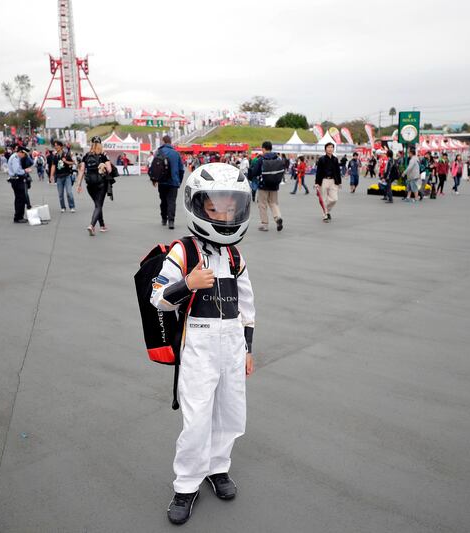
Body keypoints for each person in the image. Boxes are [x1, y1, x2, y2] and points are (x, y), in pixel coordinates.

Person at [150, 163, 255, 526]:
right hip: (198, 343)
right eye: (214, 207)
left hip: (231, 345)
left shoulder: (236, 256)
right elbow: (158, 297)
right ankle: (186, 484)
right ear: (197, 206)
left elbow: (247, 306)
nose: (223, 213)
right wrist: (189, 283)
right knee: (197, 419)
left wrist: (248, 348)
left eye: (230, 207)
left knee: (230, 413)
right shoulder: (184, 251)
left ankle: (217, 467)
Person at [76, 136, 113, 236]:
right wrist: (104, 167)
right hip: (101, 183)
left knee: (97, 204)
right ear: (101, 144)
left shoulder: (86, 156)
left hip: (89, 184)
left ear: (91, 144)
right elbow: (109, 169)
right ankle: (92, 225)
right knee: (98, 205)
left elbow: (82, 170)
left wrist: (79, 184)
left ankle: (102, 225)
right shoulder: (103, 155)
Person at [248, 140, 285, 232]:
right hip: (274, 185)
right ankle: (278, 218)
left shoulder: (261, 159)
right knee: (273, 203)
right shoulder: (278, 158)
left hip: (263, 185)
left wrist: (250, 173)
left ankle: (264, 224)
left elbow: (254, 172)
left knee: (262, 204)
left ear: (263, 149)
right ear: (271, 148)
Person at [150, 135, 185, 230]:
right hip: (173, 182)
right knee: (172, 201)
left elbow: (153, 167)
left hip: (162, 181)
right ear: (170, 142)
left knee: (163, 201)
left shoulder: (158, 152)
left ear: (163, 141)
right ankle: (171, 221)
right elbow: (181, 169)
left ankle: (163, 218)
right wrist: (179, 181)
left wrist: (154, 179)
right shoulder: (176, 153)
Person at [315, 142, 341, 222]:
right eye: (328, 147)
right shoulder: (321, 159)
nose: (330, 149)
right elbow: (318, 171)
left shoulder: (335, 159)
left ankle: (327, 210)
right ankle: (325, 214)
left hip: (333, 181)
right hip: (324, 180)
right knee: (323, 198)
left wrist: (339, 182)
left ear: (333, 149)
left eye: (331, 147)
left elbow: (337, 171)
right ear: (325, 149)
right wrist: (317, 183)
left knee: (334, 199)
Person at [49, 139, 76, 213]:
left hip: (67, 176)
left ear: (61, 146)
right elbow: (53, 166)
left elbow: (73, 163)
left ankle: (72, 206)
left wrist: (66, 161)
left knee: (69, 193)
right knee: (60, 194)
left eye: (57, 146)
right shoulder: (55, 156)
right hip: (58, 177)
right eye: (55, 146)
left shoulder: (66, 154)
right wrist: (51, 176)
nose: (56, 147)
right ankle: (63, 207)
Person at [7, 146, 30, 223]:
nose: (24, 156)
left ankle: (19, 216)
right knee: (20, 198)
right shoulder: (15, 158)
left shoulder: (15, 157)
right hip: (16, 179)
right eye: (24, 154)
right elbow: (17, 170)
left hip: (16, 180)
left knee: (19, 198)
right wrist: (25, 171)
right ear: (20, 152)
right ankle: (18, 217)